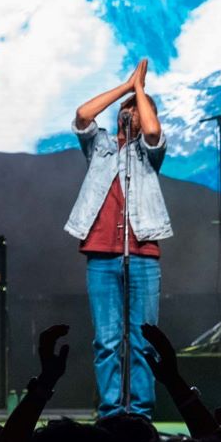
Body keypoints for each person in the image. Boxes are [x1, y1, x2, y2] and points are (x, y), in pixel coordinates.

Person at [67, 59, 170, 419]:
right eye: (126, 109)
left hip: (142, 254)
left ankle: (140, 414)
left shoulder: (149, 153)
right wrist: (126, 87)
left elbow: (153, 131)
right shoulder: (101, 146)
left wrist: (140, 90)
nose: (129, 112)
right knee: (107, 341)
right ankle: (110, 414)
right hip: (101, 255)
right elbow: (83, 114)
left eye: (136, 108)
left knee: (143, 340)